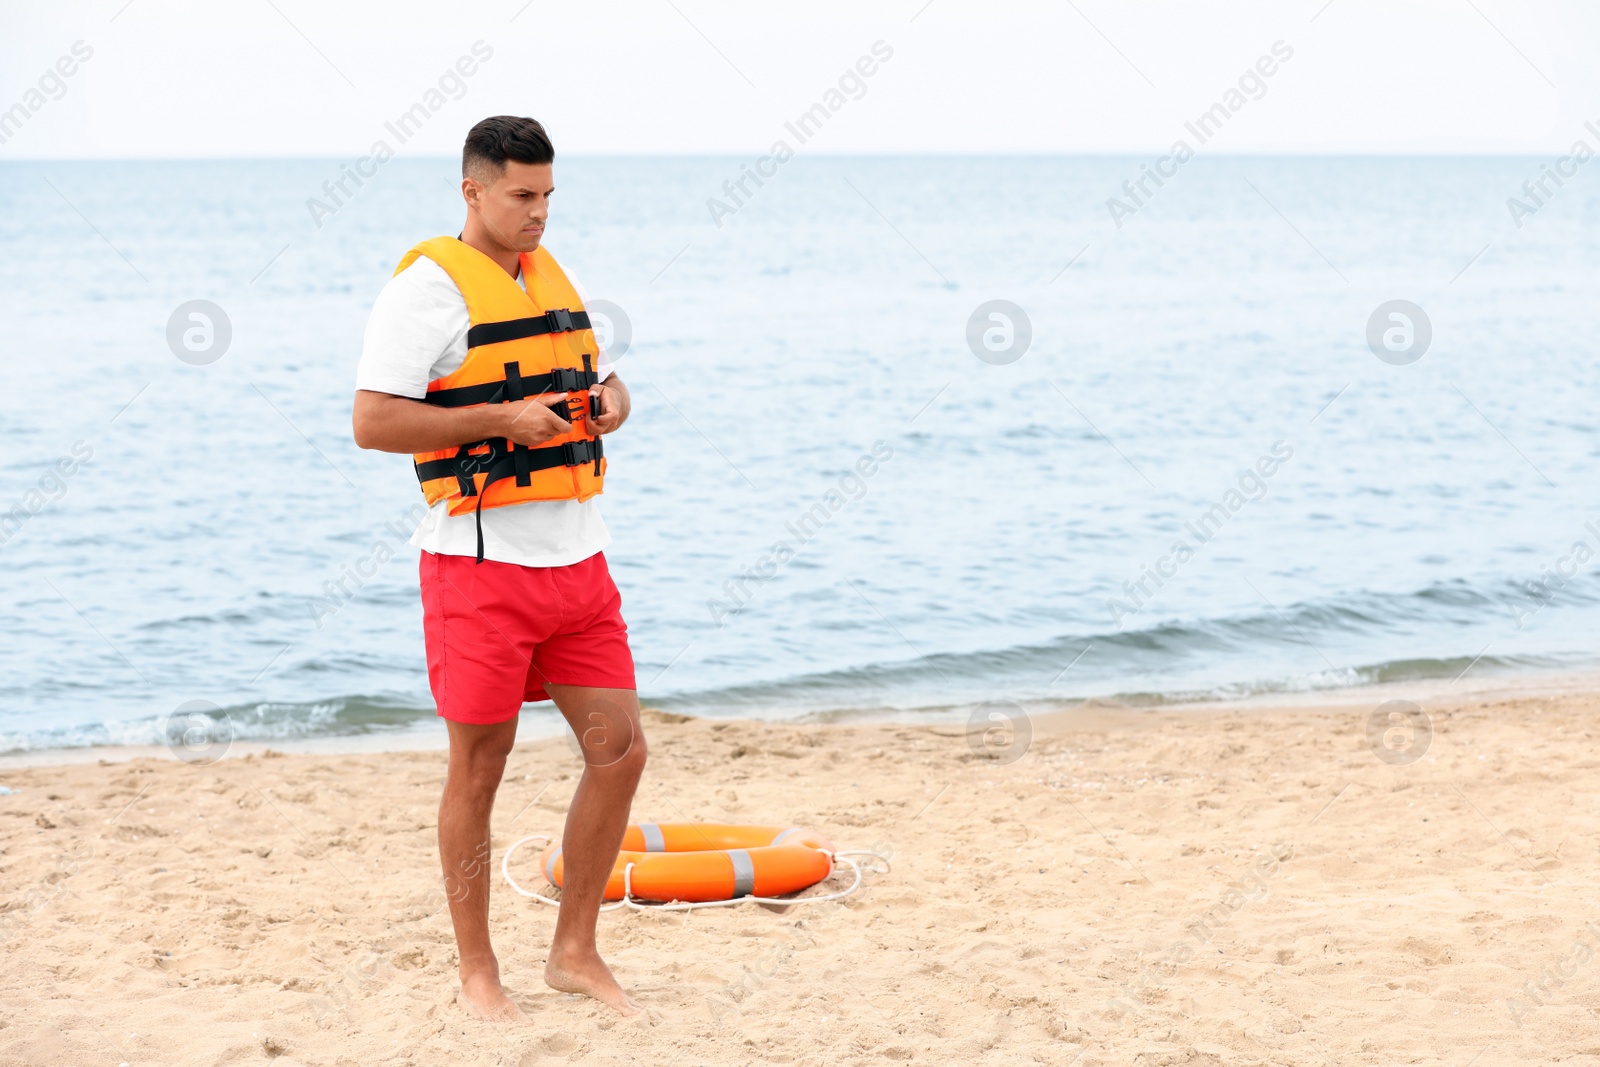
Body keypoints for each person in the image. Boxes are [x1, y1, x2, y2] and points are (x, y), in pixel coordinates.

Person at [351, 115, 646, 1021]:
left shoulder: (556, 276)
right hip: (480, 570)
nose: (539, 213)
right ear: (473, 190)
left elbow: (592, 381)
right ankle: (480, 971)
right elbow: (373, 421)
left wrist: (614, 402)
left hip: (579, 563)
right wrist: (500, 423)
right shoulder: (426, 290)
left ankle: (573, 949)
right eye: (522, 195)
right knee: (479, 770)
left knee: (621, 751)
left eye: (549, 195)